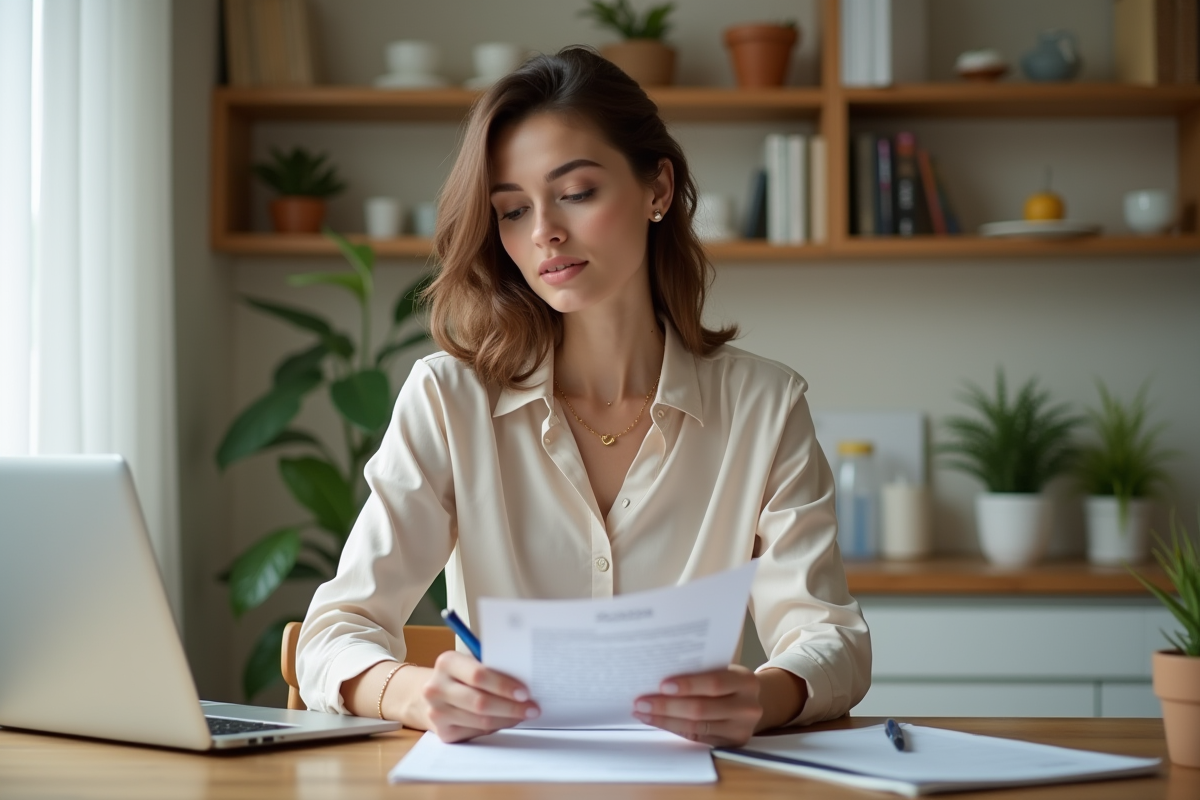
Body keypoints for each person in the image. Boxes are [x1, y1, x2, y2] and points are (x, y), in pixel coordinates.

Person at [296, 46, 870, 747]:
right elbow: (331, 635)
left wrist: (764, 696)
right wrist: (415, 692)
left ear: (658, 189)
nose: (544, 233)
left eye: (576, 192)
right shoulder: (448, 400)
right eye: (511, 210)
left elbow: (832, 638)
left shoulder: (765, 404)